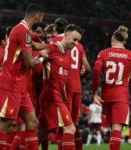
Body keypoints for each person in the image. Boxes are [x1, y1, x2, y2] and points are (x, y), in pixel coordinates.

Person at [0, 3, 47, 150]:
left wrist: (51, 46)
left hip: (20, 85)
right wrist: (43, 59)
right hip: (11, 83)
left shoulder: (23, 30)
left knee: (32, 122)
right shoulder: (22, 31)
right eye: (41, 18)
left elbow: (35, 46)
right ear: (37, 16)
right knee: (7, 125)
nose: (41, 21)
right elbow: (30, 62)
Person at [39, 24, 82, 150]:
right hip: (51, 95)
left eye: (78, 41)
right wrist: (39, 56)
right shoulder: (51, 48)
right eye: (74, 39)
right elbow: (33, 60)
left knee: (41, 132)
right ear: (66, 35)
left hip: (55, 96)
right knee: (70, 128)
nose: (76, 43)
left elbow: (63, 81)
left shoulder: (66, 56)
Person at [51, 17, 90, 150]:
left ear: (56, 29)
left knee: (65, 127)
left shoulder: (54, 42)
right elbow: (88, 68)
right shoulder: (79, 45)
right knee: (73, 124)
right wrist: (80, 71)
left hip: (63, 87)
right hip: (77, 87)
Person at [93, 25, 131, 150]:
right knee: (116, 131)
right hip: (121, 96)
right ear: (124, 41)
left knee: (112, 130)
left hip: (106, 96)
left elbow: (96, 71)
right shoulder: (129, 55)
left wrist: (94, 93)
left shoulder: (103, 53)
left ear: (112, 39)